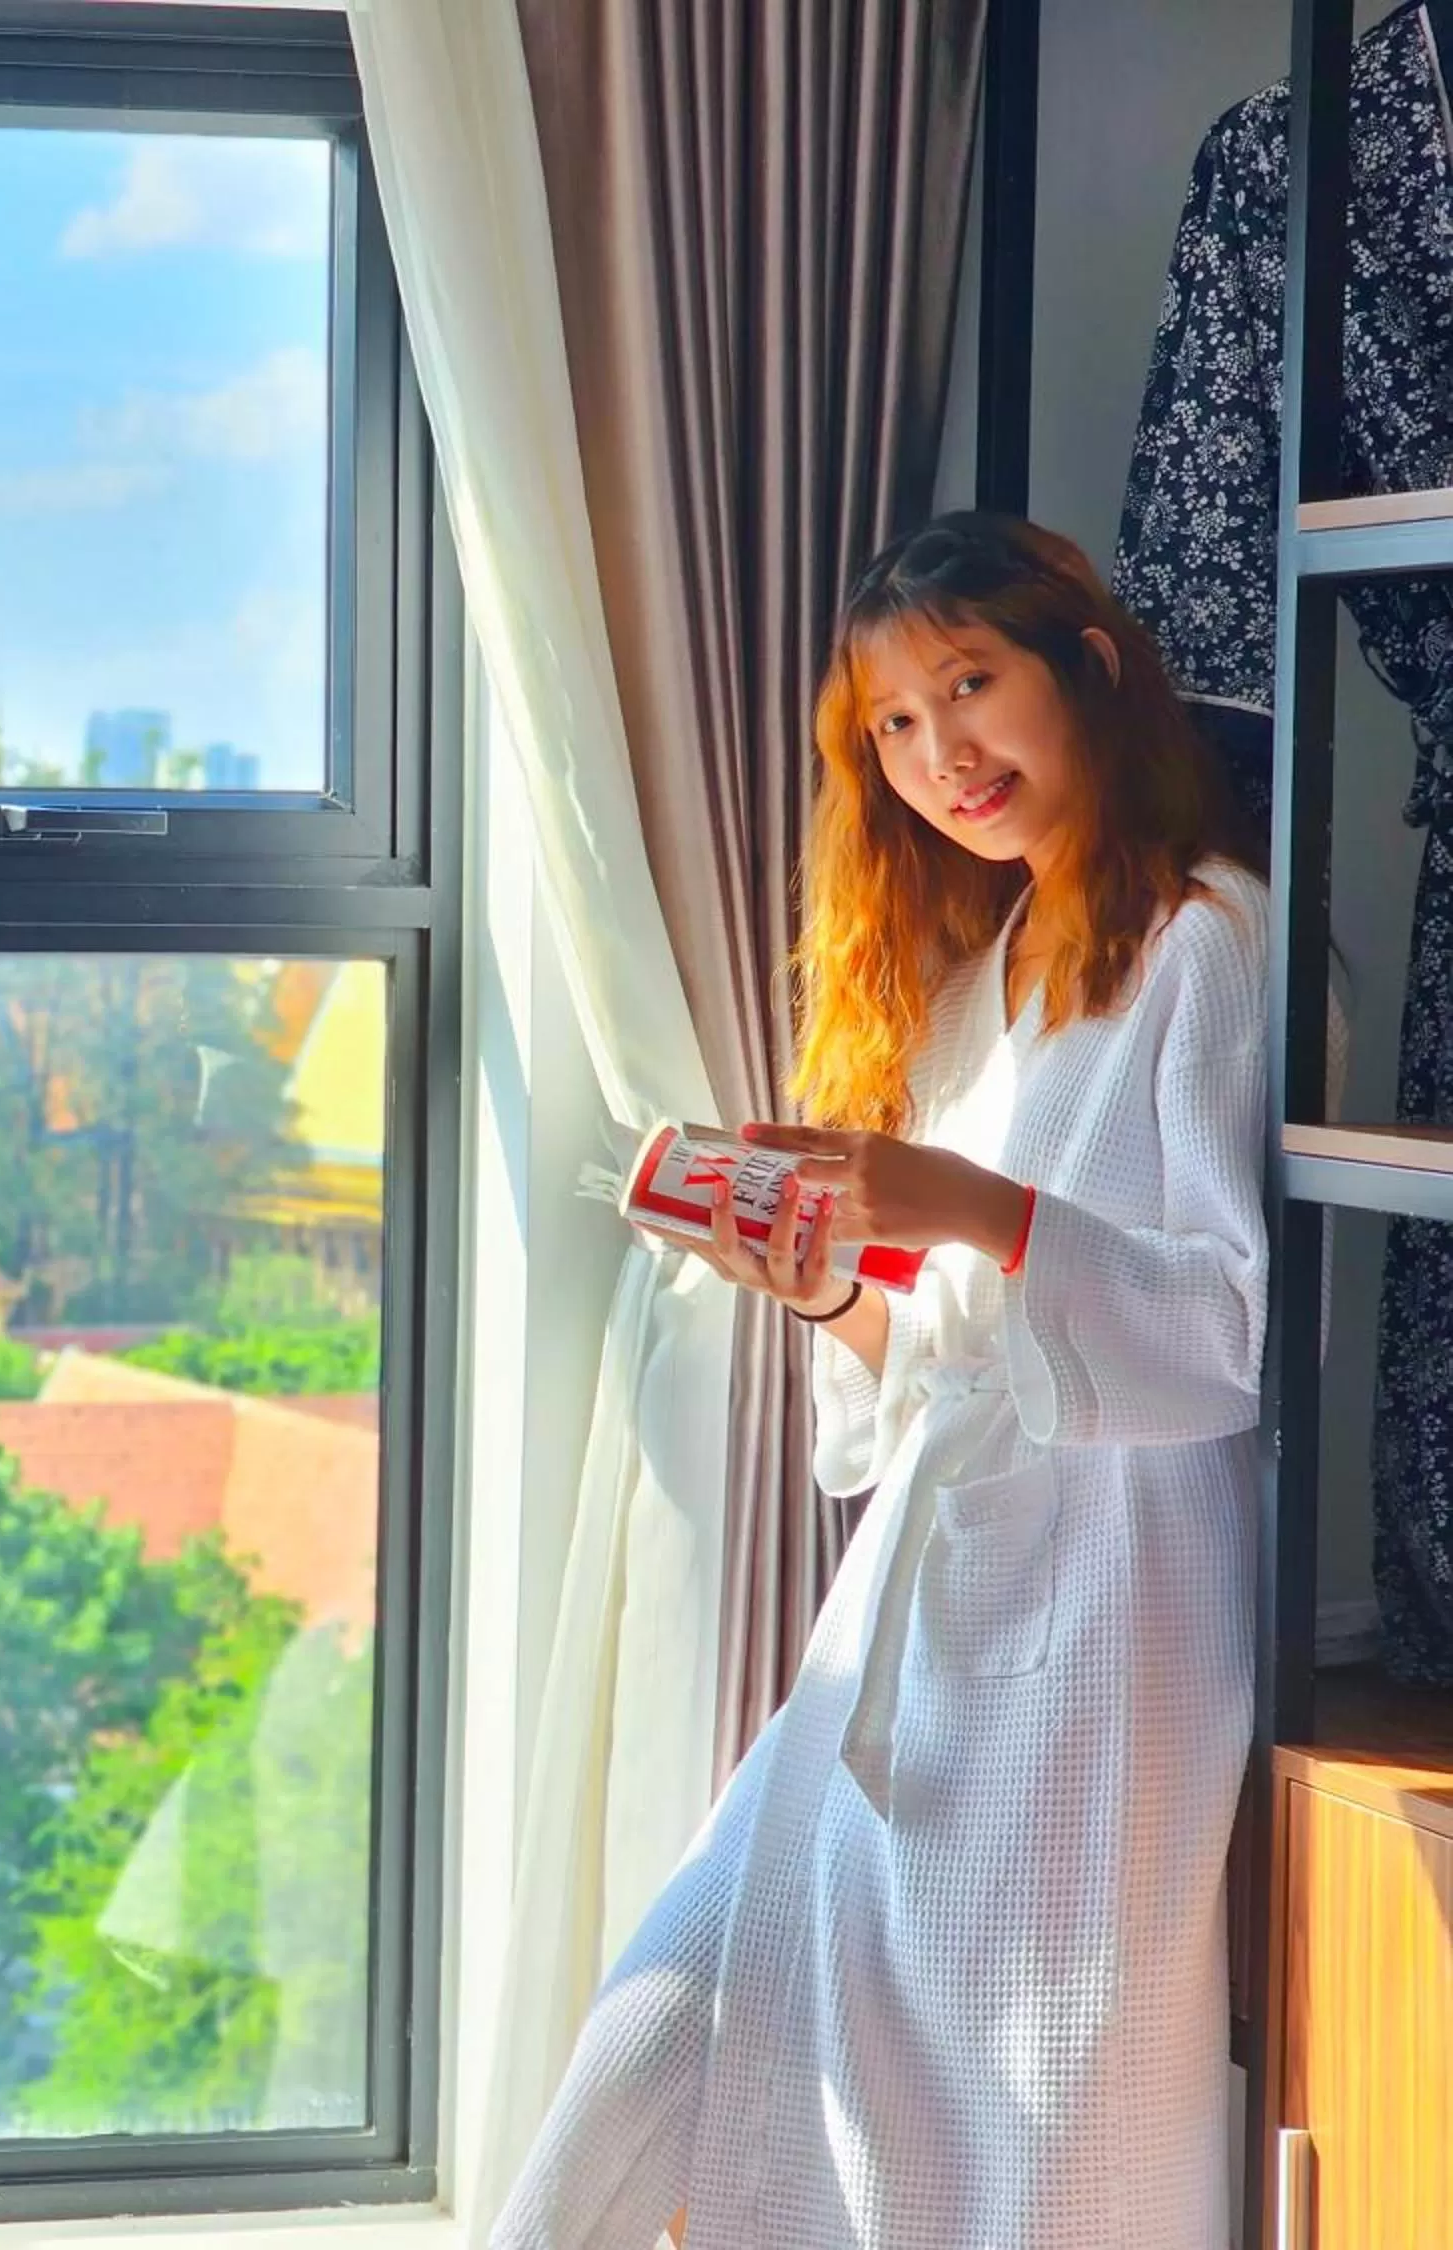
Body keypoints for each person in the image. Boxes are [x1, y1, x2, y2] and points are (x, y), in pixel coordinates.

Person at [492, 513, 1266, 2248]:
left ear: (1094, 665)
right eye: (894, 729)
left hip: (1108, 1624)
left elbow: (1226, 1333)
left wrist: (970, 1206)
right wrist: (832, 1280)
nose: (943, 756)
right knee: (668, 2019)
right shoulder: (982, 986)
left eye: (970, 686)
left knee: (1030, 2126)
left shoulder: (1213, 941)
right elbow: (941, 1367)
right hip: (918, 1623)